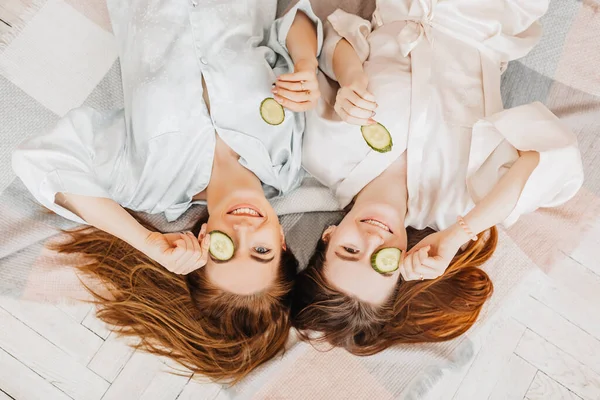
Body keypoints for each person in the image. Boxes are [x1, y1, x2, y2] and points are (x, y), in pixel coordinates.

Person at [12, 0, 322, 382]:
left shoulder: (147, 182)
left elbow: (40, 160)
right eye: (261, 251)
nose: (244, 232)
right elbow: (293, 22)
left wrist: (146, 242)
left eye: (225, 251)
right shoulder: (291, 158)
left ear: (203, 238)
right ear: (282, 241)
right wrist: (307, 66)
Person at [293, 0, 583, 354]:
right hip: (490, 15)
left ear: (329, 235)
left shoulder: (320, 154)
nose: (372, 239)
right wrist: (458, 234)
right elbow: (553, 160)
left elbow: (330, 36)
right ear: (400, 263)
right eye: (381, 263)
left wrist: (350, 75)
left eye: (349, 250)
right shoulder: (457, 204)